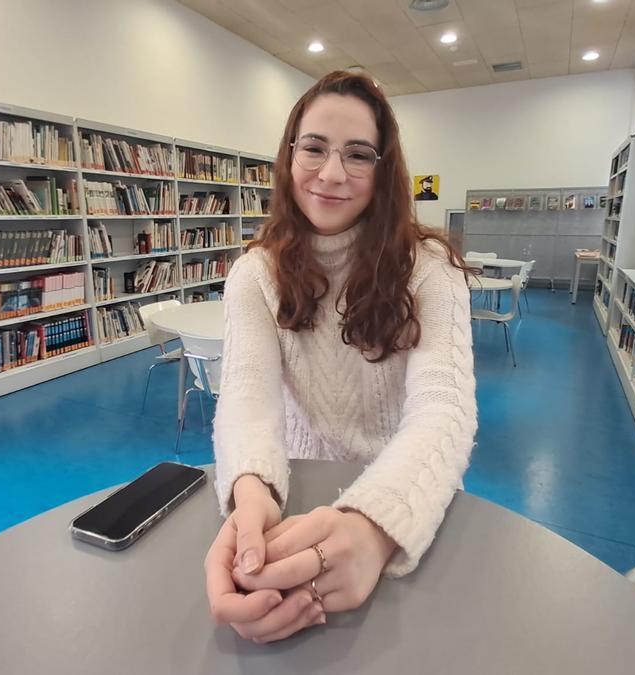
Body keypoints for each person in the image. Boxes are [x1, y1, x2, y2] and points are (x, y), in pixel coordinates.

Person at [203, 71, 477, 644]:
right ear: (289, 154)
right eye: (314, 148)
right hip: (295, 496)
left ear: (384, 170)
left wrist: (375, 528)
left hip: (408, 504)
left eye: (358, 154)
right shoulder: (254, 274)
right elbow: (248, 400)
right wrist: (250, 494)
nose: (331, 174)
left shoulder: (430, 267)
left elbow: (443, 410)